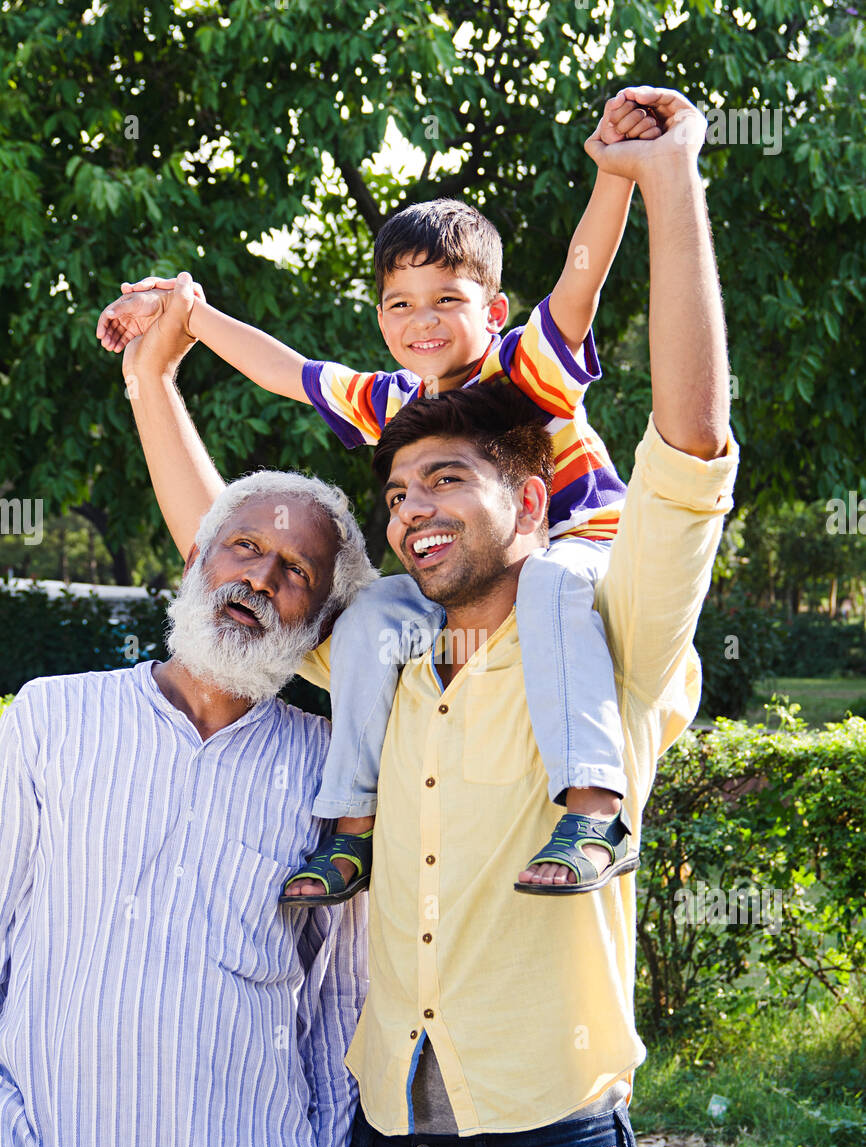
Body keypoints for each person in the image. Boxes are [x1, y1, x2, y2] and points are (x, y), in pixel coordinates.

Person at [119, 83, 738, 1147]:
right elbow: (232, 552)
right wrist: (164, 359)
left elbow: (687, 440)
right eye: (397, 493)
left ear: (528, 492)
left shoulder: (612, 635)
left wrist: (659, 181)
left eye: (448, 480)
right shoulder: (381, 652)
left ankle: (590, 808)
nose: (412, 509)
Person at [96, 93, 668, 903]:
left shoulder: (525, 369)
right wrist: (189, 313)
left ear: (494, 311)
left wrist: (614, 175)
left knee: (548, 580)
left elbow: (581, 281)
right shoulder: (393, 398)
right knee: (372, 615)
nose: (421, 321)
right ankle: (352, 831)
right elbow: (286, 371)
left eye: (446, 301)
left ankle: (595, 812)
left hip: (577, 551)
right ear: (380, 316)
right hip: (469, 575)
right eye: (401, 304)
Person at [0, 314, 376, 1147]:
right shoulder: (50, 719)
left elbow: (342, 1004)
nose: (258, 576)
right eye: (241, 548)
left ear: (322, 621)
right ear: (196, 558)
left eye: (294, 572)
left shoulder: (337, 771)